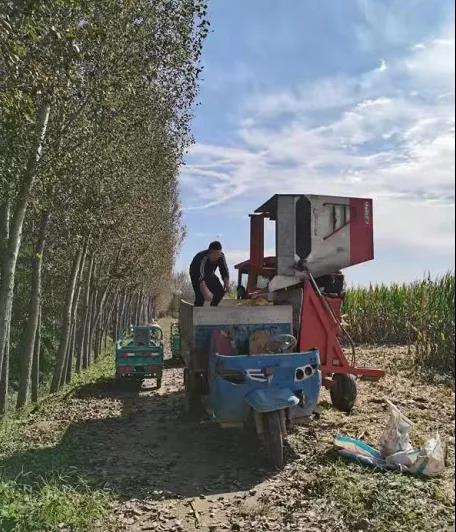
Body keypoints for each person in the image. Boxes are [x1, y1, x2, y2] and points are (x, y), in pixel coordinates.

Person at [189, 241, 230, 307]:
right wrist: (204, 289)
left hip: (209, 273)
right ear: (209, 252)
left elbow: (224, 269)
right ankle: (197, 313)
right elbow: (200, 275)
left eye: (218, 254)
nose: (217, 257)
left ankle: (212, 309)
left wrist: (226, 282)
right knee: (200, 296)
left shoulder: (221, 256)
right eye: (214, 254)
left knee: (220, 292)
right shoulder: (201, 258)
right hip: (195, 273)